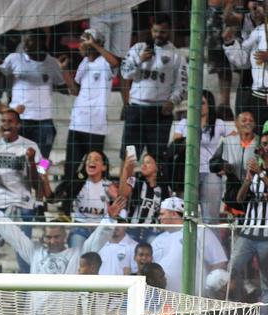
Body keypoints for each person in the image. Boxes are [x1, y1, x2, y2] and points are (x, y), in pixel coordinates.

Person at [0, 109, 40, 274]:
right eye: (3, 121)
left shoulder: (32, 146)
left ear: (18, 125)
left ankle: (26, 298)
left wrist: (32, 162)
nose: (6, 124)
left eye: (10, 121)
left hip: (23, 207)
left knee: (24, 257)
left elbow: (42, 174)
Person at [120, 13, 185, 162]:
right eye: (155, 31)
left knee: (156, 158)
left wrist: (172, 101)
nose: (158, 35)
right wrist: (139, 59)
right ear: (151, 30)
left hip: (159, 112)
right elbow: (125, 73)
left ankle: (154, 186)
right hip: (136, 109)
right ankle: (127, 185)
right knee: (129, 156)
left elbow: (181, 84)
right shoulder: (138, 49)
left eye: (162, 32)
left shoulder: (176, 55)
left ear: (169, 31)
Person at [60, 28, 121, 175]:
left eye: (84, 40)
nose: (80, 44)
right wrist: (64, 71)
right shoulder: (84, 63)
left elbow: (116, 63)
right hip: (77, 122)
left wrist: (96, 45)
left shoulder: (104, 62)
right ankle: (69, 196)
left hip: (96, 125)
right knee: (71, 167)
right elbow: (75, 91)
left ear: (95, 43)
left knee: (93, 170)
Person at [0, 32, 63, 162]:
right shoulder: (14, 58)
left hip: (44, 119)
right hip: (19, 118)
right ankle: (14, 180)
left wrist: (63, 70)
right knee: (14, 157)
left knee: (43, 158)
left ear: (41, 42)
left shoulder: (52, 63)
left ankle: (42, 178)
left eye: (30, 40)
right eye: (24, 40)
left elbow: (61, 84)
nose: (25, 44)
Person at [169, 90, 231, 223]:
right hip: (187, 173)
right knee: (185, 218)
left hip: (210, 173)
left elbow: (235, 140)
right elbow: (174, 145)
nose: (199, 106)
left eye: (202, 103)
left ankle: (211, 243)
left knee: (211, 219)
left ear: (210, 105)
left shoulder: (218, 123)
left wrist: (226, 163)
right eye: (196, 103)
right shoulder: (185, 122)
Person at [150, 196, 229, 294]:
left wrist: (207, 288)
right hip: (164, 299)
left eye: (162, 214)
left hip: (194, 299)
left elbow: (219, 262)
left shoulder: (200, 232)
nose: (159, 217)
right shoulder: (157, 239)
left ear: (174, 214)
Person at [228, 133, 268, 307]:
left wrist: (262, 173)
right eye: (264, 144)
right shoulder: (254, 169)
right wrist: (247, 180)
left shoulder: (261, 171)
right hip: (248, 232)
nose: (266, 147)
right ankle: (236, 308)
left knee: (266, 278)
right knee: (233, 268)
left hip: (267, 234)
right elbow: (239, 199)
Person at [120, 149, 170, 240]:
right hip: (132, 231)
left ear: (158, 166)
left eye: (148, 162)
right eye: (143, 162)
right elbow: (123, 193)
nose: (143, 165)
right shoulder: (135, 180)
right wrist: (126, 168)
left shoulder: (165, 189)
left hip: (153, 234)